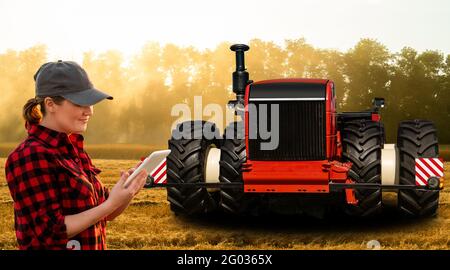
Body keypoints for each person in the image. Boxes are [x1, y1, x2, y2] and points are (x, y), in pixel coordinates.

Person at [4, 60, 148, 250]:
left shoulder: (72, 151)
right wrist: (110, 204)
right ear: (50, 104)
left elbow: (106, 212)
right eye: (81, 102)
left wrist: (129, 190)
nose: (89, 111)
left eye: (91, 103)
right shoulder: (30, 155)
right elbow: (51, 231)